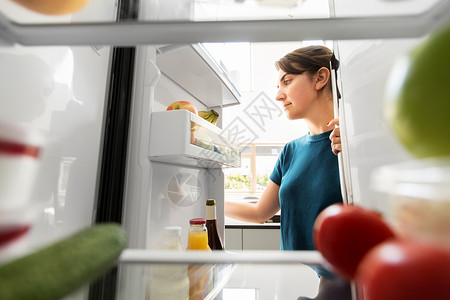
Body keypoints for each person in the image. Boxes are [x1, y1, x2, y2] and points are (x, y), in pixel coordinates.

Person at [225, 45, 349, 300]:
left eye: (287, 81)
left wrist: (353, 142)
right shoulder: (291, 150)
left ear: (320, 78)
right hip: (289, 278)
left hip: (337, 287)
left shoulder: (349, 144)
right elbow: (260, 213)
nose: (279, 96)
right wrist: (207, 200)